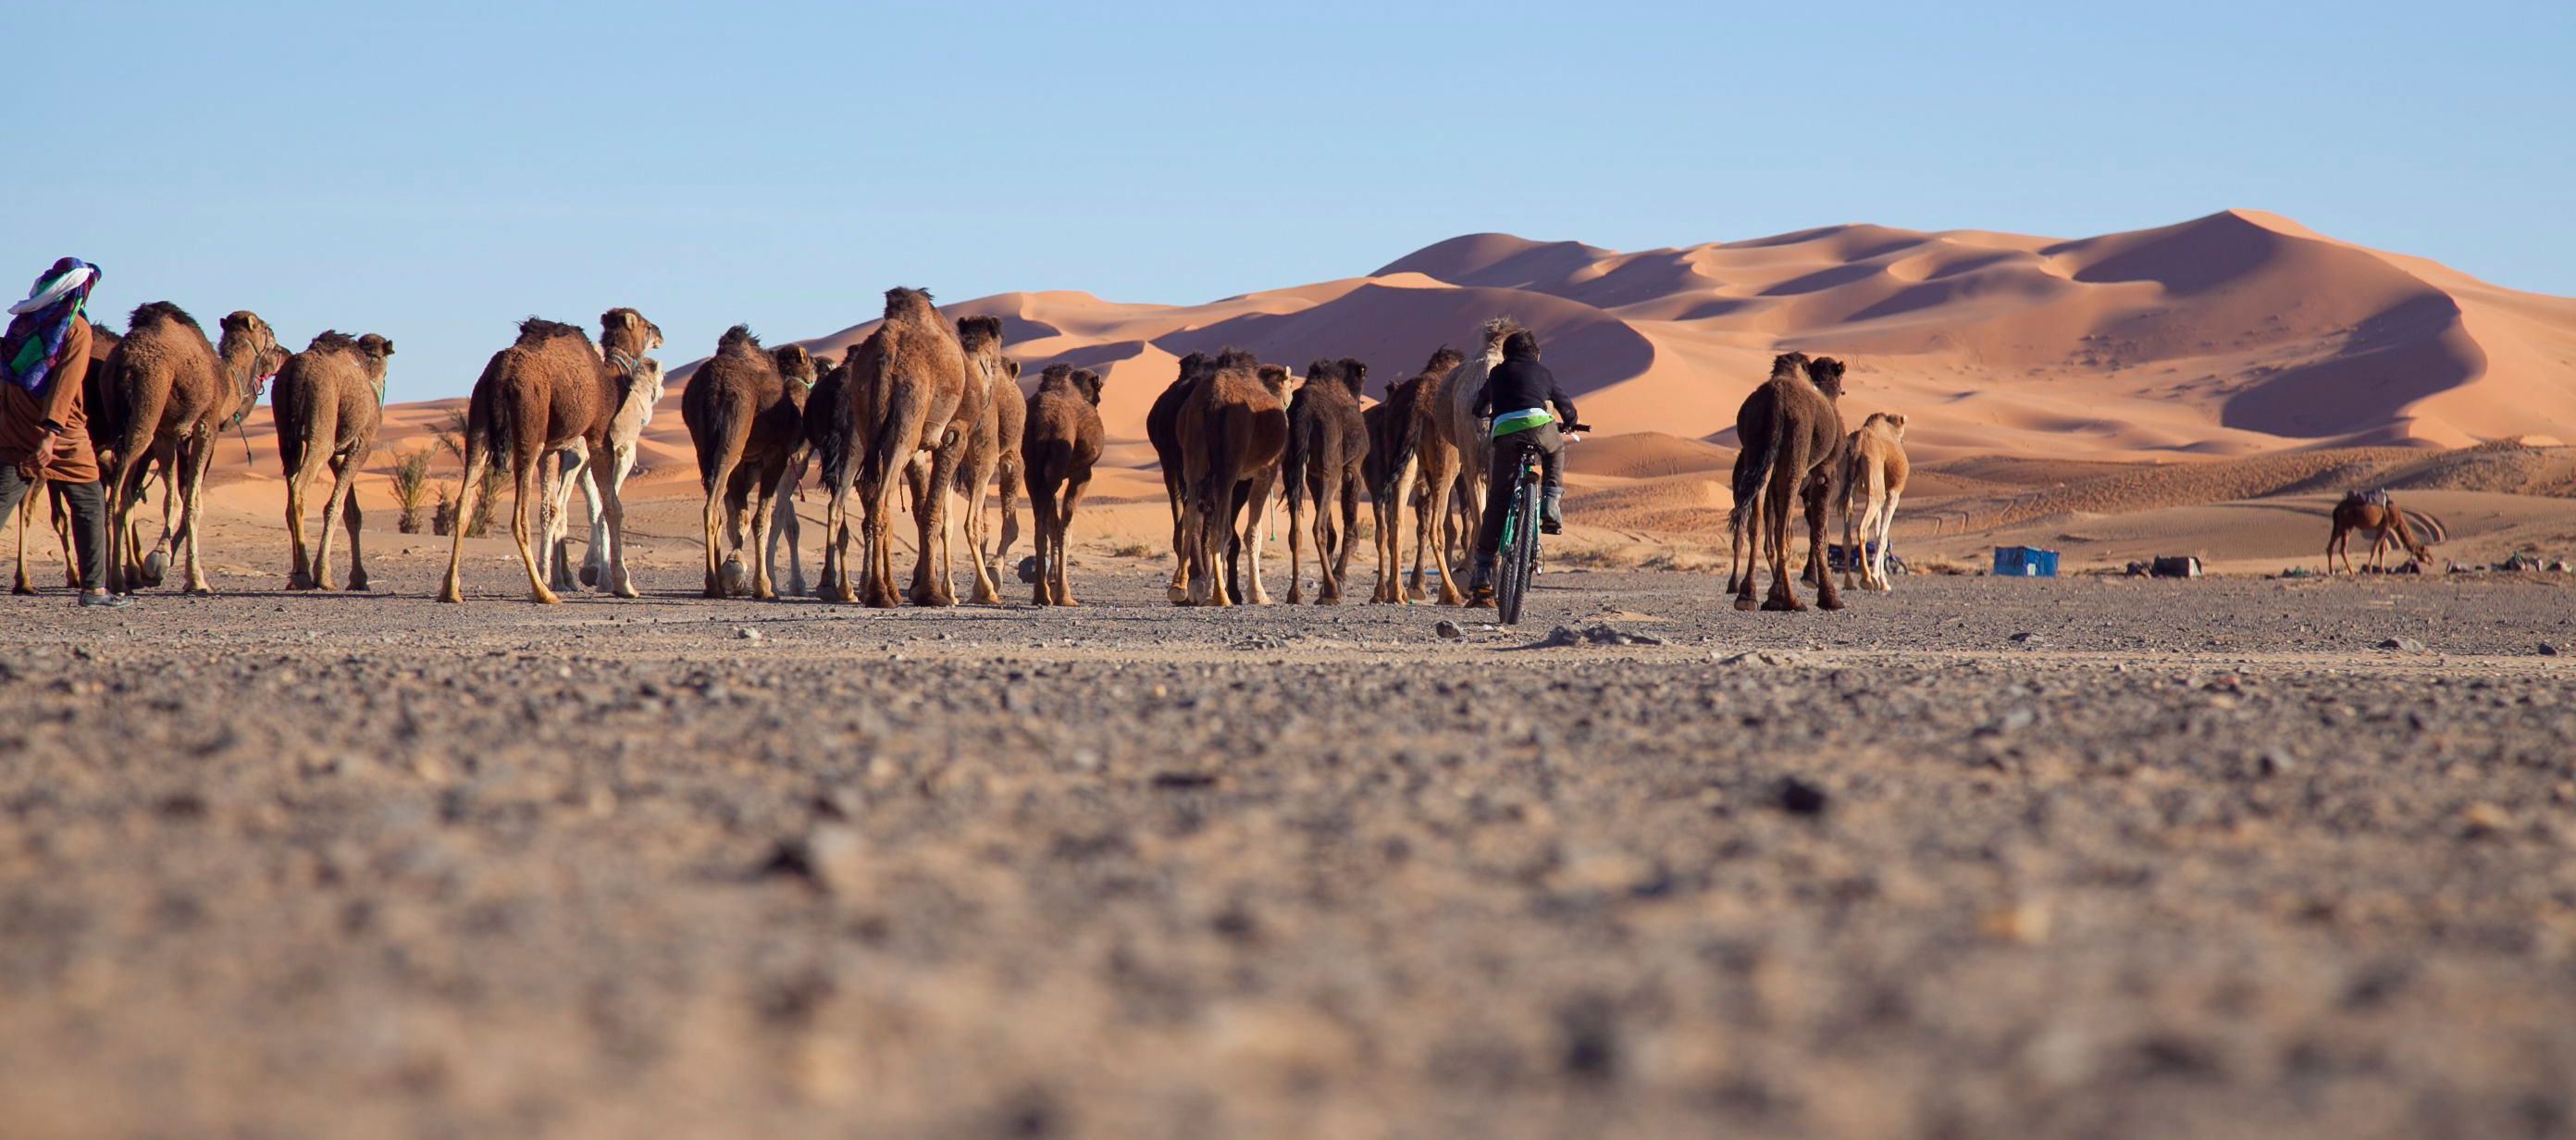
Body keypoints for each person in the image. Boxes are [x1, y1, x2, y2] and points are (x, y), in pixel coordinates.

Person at [0, 257, 128, 608]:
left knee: (2, 500)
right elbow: (66, 383)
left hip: (14, 423)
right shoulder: (75, 329)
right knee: (88, 501)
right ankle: (94, 589)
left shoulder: (24, 323)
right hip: (59, 431)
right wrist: (50, 432)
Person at [1467, 328, 1580, 603]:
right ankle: (1551, 504)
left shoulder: (1496, 374)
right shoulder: (1543, 373)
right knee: (1556, 451)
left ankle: (1482, 570)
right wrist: (1570, 421)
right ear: (1536, 355)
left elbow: (1478, 407)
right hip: (1539, 427)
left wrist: (1485, 412)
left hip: (1505, 433)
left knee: (1497, 500)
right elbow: (1567, 408)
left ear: (1506, 355)